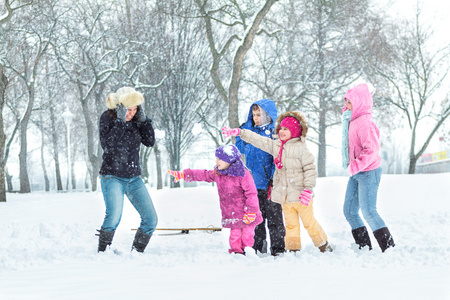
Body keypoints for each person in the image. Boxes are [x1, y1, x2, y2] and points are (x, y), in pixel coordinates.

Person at [222, 112, 333, 253]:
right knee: (291, 225)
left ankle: (323, 244)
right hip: (285, 197)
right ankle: (293, 249)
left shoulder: (301, 148)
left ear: (294, 131)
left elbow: (310, 169)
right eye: (280, 128)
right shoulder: (276, 146)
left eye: (285, 129)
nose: (281, 131)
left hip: (301, 196)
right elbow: (259, 140)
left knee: (309, 223)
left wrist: (308, 189)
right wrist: (241, 132)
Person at [167, 144, 263, 255]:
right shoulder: (218, 173)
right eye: (216, 158)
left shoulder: (243, 174)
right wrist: (184, 174)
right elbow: (203, 175)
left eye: (220, 159)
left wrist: (251, 211)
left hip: (247, 213)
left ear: (229, 160)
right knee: (235, 235)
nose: (217, 161)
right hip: (234, 213)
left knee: (247, 235)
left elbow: (251, 194)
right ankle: (237, 253)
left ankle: (248, 252)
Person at [96, 87, 158, 253]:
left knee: (151, 219)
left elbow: (150, 141)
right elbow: (108, 146)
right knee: (113, 217)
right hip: (112, 176)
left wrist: (144, 121)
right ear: (119, 108)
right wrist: (121, 123)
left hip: (133, 178)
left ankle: (137, 252)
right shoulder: (108, 118)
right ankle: (103, 252)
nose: (132, 112)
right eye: (128, 109)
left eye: (135, 108)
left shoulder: (138, 121)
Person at [342, 83, 395, 252]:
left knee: (369, 211)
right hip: (356, 172)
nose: (346, 106)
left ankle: (389, 248)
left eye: (350, 102)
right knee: (349, 211)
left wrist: (355, 166)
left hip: (369, 172)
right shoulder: (351, 120)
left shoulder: (364, 122)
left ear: (360, 102)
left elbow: (371, 149)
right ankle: (364, 248)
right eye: (346, 102)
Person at [235, 99, 285, 256]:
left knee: (275, 220)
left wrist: (274, 178)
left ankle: (278, 249)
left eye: (259, 115)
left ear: (268, 115)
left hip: (271, 185)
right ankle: (258, 247)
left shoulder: (275, 133)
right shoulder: (250, 132)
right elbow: (239, 148)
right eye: (254, 115)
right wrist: (246, 127)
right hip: (253, 185)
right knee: (257, 219)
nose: (256, 118)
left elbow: (279, 157)